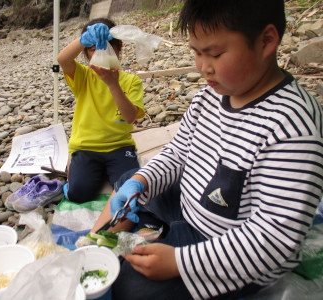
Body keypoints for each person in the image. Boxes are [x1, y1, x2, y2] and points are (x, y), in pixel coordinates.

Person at [90, 0, 323, 299]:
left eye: (214, 53)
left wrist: (179, 263)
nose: (203, 67)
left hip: (231, 250)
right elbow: (176, 155)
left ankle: (146, 236)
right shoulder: (208, 99)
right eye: (196, 53)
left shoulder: (292, 125)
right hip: (190, 205)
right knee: (131, 181)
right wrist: (142, 182)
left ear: (266, 41)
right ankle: (96, 243)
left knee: (132, 287)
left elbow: (273, 239)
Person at [57, 18, 145, 203]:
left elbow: (130, 117)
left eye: (105, 48)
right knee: (78, 194)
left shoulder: (131, 81)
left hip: (120, 146)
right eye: (92, 49)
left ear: (118, 47)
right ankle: (76, 175)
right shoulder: (83, 75)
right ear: (86, 54)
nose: (100, 53)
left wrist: (113, 84)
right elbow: (62, 59)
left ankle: (110, 171)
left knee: (130, 193)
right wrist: (83, 39)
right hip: (86, 147)